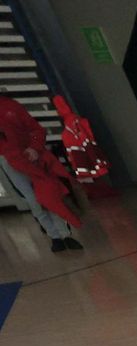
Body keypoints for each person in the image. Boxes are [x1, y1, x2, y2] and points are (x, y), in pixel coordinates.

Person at [0, 95, 82, 253]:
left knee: (48, 195)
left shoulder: (11, 106)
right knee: (33, 200)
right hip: (10, 159)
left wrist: (34, 148)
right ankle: (55, 236)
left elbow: (36, 129)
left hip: (28, 156)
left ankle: (64, 234)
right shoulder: (10, 106)